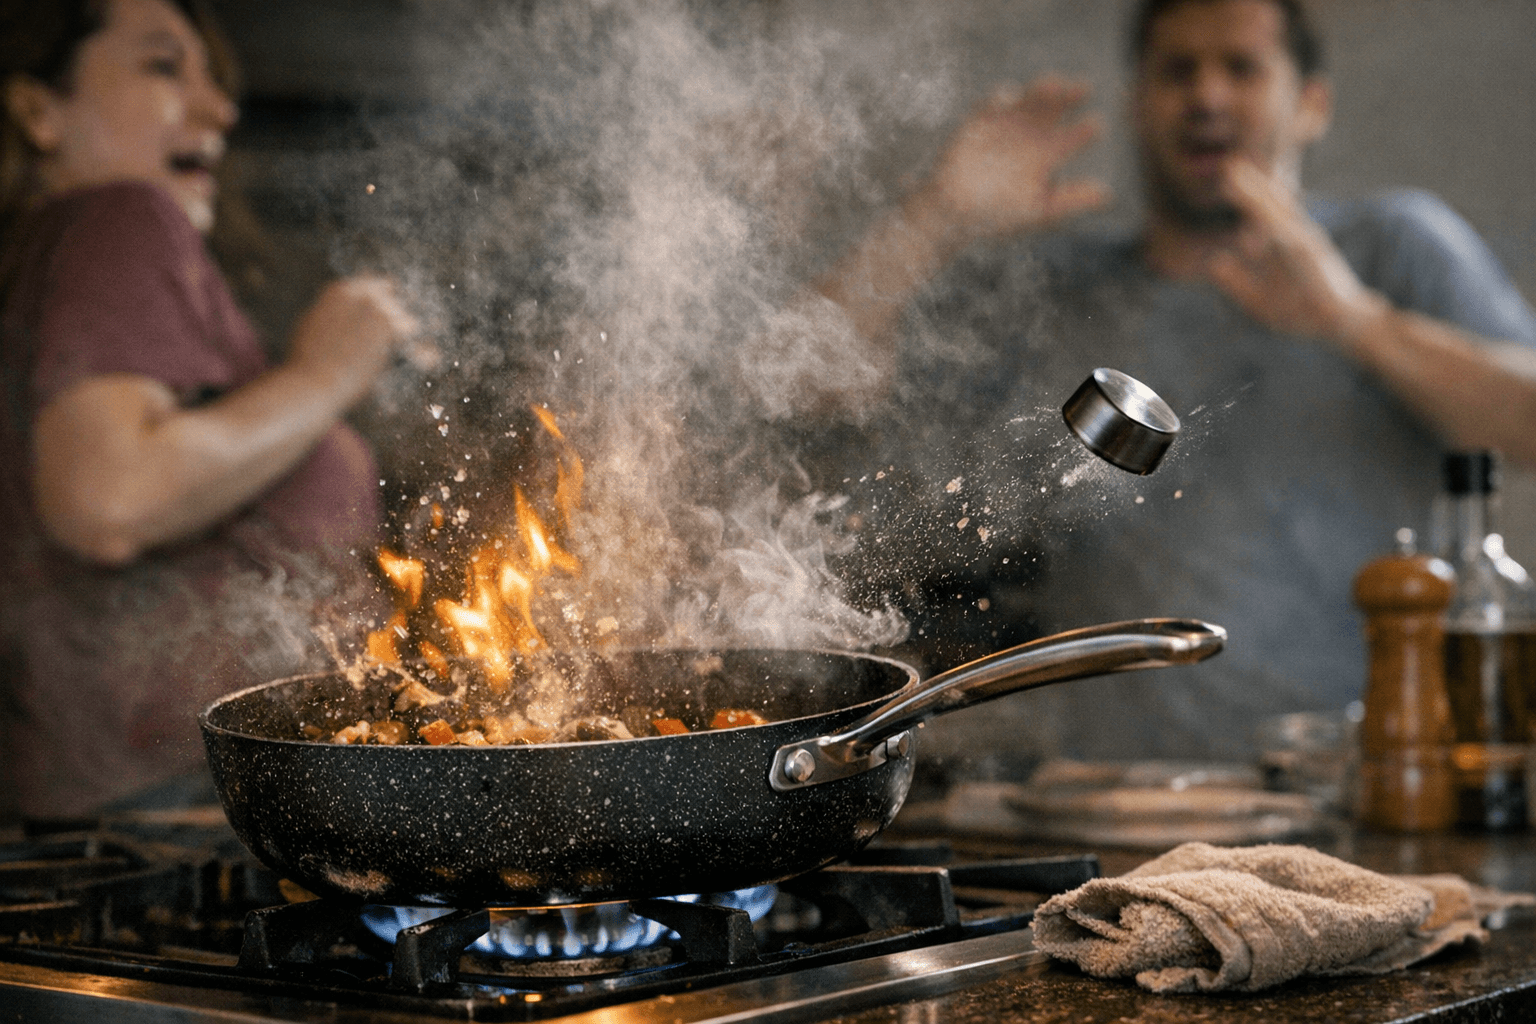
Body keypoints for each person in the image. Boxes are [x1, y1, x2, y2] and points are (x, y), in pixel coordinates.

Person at [762, 0, 1536, 764]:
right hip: (1100, 802)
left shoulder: (1392, 247)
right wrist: (937, 217)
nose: (1206, 95)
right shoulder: (1060, 289)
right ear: (1136, 103)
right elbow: (796, 388)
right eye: (1177, 70)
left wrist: (1353, 320)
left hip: (1354, 792)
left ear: (1311, 104)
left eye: (1241, 66)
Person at [0, 0, 418, 820]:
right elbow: (108, 500)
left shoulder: (40, 260)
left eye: (212, 80)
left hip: (100, 817)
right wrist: (326, 373)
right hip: (190, 805)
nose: (219, 108)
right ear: (37, 111)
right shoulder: (118, 217)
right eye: (162, 67)